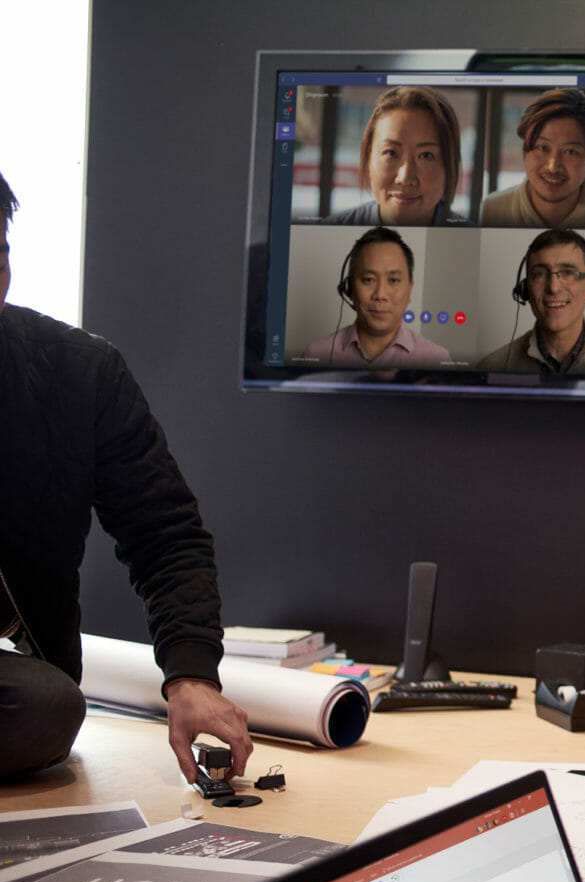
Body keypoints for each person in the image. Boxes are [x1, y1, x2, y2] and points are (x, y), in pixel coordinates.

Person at [0, 170, 254, 784]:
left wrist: (190, 677)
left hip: (17, 684)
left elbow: (164, 535)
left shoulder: (79, 373)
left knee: (48, 708)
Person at [476, 229, 585, 374]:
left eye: (567, 272)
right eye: (539, 274)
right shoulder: (491, 367)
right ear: (525, 290)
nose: (553, 287)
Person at [298, 227, 452, 369]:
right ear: (349, 288)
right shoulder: (316, 354)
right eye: (368, 280)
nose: (380, 295)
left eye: (393, 280)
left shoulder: (436, 359)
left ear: (409, 290)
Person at [480, 88, 585, 230]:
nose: (552, 166)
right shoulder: (493, 210)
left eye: (570, 152)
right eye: (542, 147)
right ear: (525, 150)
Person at [322, 86, 469, 227]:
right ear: (369, 158)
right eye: (390, 153)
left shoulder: (477, 243)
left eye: (425, 155)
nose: (404, 178)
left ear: (449, 164)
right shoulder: (326, 235)